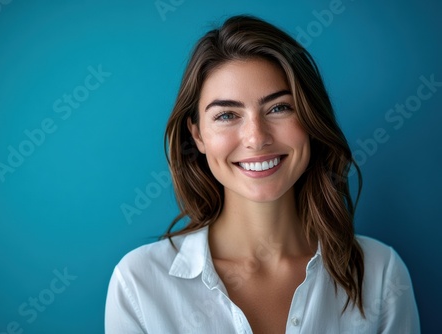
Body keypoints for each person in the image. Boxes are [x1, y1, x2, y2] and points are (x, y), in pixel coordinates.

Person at [105, 15, 420, 333]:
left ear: (312, 120)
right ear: (197, 135)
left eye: (279, 108)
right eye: (227, 114)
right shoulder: (139, 284)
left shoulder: (380, 274)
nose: (256, 138)